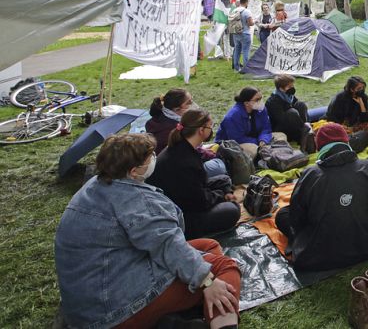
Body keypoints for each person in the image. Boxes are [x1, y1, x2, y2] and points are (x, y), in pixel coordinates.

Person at [55, 134, 240, 329]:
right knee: (224, 268)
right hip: (114, 311)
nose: (154, 159)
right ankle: (223, 322)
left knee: (208, 245)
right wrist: (208, 282)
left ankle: (180, 315)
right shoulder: (138, 202)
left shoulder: (94, 187)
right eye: (150, 157)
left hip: (93, 293)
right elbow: (169, 245)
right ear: (134, 171)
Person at [274, 123, 368, 271]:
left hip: (319, 254)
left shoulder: (311, 174)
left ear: (319, 148)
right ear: (346, 142)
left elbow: (297, 218)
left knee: (283, 215)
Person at [148, 109, 241, 240]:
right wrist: (222, 196)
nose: (211, 130)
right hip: (180, 215)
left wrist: (224, 191)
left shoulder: (181, 146)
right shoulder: (185, 161)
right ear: (201, 130)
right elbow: (200, 201)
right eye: (210, 126)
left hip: (187, 195)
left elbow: (198, 186)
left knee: (224, 179)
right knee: (232, 210)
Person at [215, 86, 272, 158]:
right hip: (231, 144)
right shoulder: (233, 116)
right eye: (257, 99)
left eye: (261, 98)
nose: (260, 102)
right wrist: (258, 141)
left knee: (281, 136)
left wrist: (263, 139)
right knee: (253, 149)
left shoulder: (261, 109)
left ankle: (263, 152)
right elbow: (236, 139)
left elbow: (266, 128)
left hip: (256, 139)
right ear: (246, 103)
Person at [266, 74, 315, 150]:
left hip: (295, 126)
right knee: (292, 113)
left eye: (292, 86)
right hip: (281, 128)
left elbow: (298, 107)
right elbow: (281, 120)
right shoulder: (273, 101)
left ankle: (306, 128)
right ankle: (304, 135)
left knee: (301, 105)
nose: (292, 88)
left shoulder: (289, 96)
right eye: (289, 87)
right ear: (281, 89)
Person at [145, 88, 194, 154]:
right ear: (177, 109)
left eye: (192, 100)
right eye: (189, 102)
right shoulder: (176, 129)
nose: (192, 104)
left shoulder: (160, 114)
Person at [232, 0, 254, 72]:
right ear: (246, 2)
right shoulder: (247, 11)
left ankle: (236, 68)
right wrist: (255, 22)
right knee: (246, 51)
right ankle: (246, 69)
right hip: (245, 33)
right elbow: (250, 23)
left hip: (235, 33)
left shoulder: (234, 10)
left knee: (237, 51)